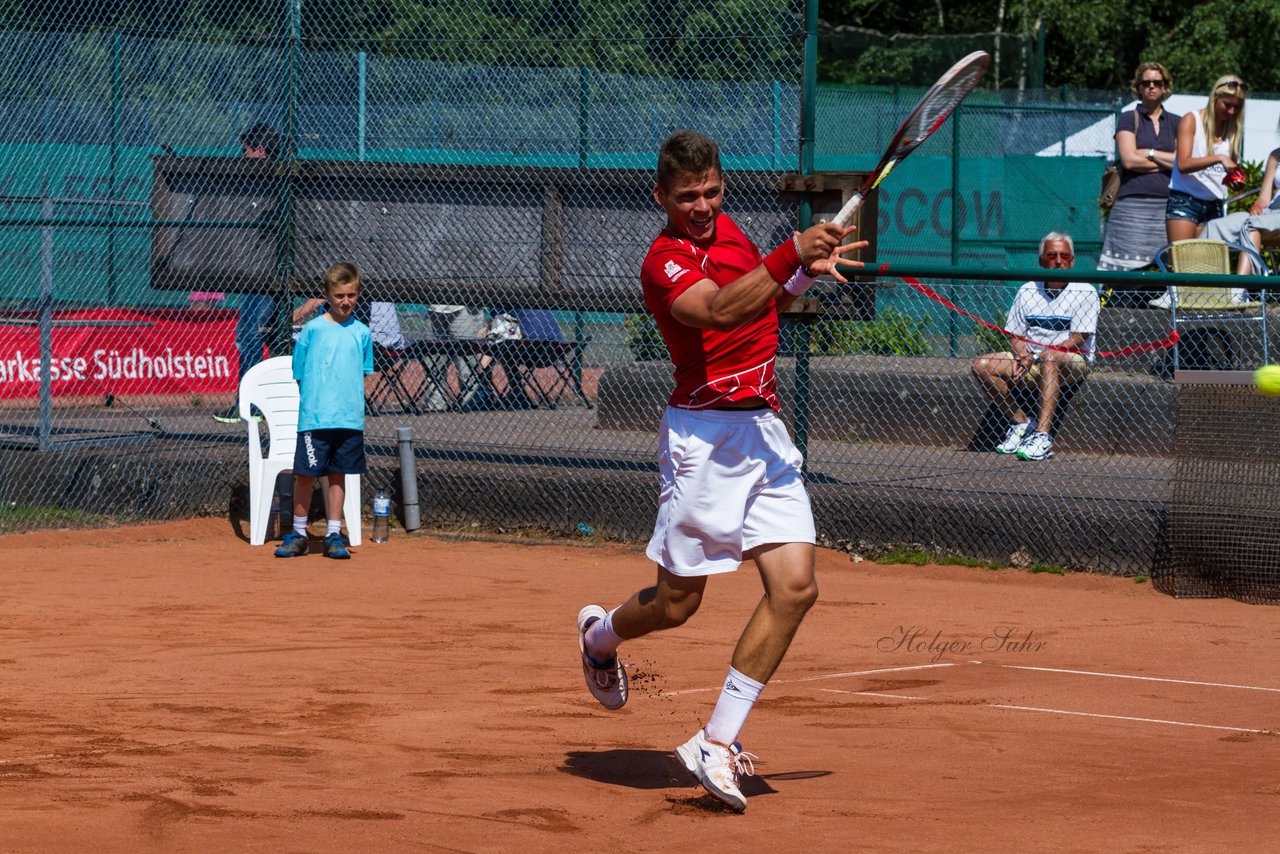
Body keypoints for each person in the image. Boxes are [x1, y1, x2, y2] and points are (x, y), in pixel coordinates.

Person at [574, 129, 863, 812]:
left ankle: (716, 741)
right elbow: (721, 310)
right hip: (702, 441)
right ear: (661, 197)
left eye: (710, 191)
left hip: (762, 430)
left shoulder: (733, 235)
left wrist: (796, 276)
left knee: (796, 589)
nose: (702, 206)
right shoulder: (662, 261)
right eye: (686, 196)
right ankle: (600, 636)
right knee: (678, 605)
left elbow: (764, 307)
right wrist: (789, 251)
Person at [274, 262, 374, 560]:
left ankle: (333, 534)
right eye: (340, 295)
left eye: (352, 295)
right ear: (327, 294)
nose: (346, 301)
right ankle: (299, 533)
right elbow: (300, 373)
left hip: (349, 421)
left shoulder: (362, 333)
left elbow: (362, 372)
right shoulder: (313, 330)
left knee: (337, 475)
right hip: (315, 418)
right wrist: (316, 404)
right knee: (305, 476)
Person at [971, 233, 1099, 462]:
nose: (1058, 260)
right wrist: (1022, 354)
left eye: (1064, 256)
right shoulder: (1027, 289)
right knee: (980, 365)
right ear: (1041, 260)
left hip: (1071, 361)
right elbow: (1016, 335)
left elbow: (1078, 339)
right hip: (1032, 359)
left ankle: (1042, 436)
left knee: (1051, 357)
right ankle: (1022, 423)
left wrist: (1038, 355)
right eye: (1052, 255)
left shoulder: (1086, 290)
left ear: (1072, 260)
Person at [213, 122, 286, 423]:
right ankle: (263, 399)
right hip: (259, 273)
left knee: (250, 332)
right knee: (270, 336)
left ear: (261, 150)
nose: (244, 157)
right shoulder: (260, 182)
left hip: (268, 276)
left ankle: (252, 403)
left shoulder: (278, 180)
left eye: (248, 151)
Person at [1156, 75, 1248, 308]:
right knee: (1180, 263)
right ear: (1215, 98)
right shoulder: (1191, 120)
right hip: (1185, 201)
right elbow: (1184, 164)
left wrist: (1233, 181)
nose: (1231, 111)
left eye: (1236, 107)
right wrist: (1218, 157)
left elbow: (1224, 172)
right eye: (1227, 105)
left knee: (1206, 269)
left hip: (1214, 205)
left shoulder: (1234, 129)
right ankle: (1173, 312)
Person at [1098, 63, 1179, 274]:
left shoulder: (1178, 122)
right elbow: (1129, 161)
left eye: (1157, 83)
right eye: (1146, 82)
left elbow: (1181, 162)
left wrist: (1149, 153)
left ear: (1165, 87)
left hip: (1170, 205)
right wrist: (1166, 164)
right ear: (1138, 87)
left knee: (1169, 265)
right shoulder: (1127, 118)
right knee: (1123, 271)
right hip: (1131, 204)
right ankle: (1115, 306)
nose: (1152, 87)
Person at [1202, 143, 1280, 282]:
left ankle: (1240, 291)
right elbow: (1264, 198)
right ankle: (1191, 292)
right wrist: (1257, 206)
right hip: (1270, 213)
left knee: (1252, 225)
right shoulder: (1275, 155)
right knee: (1214, 226)